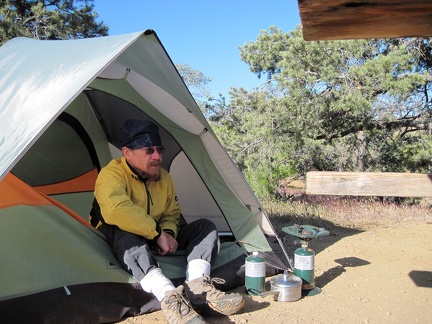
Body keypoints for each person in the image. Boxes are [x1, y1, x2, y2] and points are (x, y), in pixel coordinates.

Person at [90, 119, 244, 324]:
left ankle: (198, 287)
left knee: (205, 227)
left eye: (159, 150)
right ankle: (170, 298)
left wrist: (169, 234)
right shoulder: (111, 174)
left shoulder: (163, 177)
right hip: (123, 237)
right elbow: (115, 210)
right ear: (127, 153)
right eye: (149, 150)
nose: (158, 156)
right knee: (120, 229)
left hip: (154, 234)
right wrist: (156, 233)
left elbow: (172, 212)